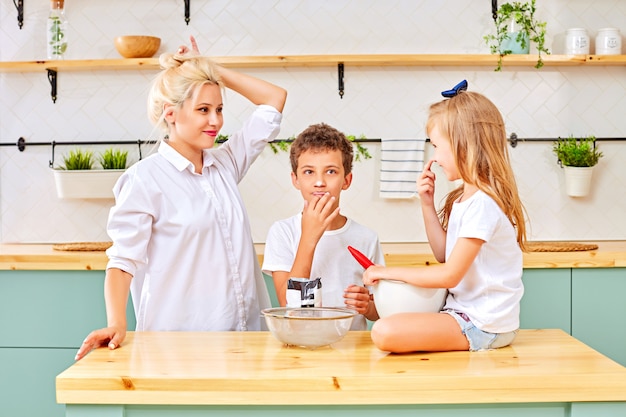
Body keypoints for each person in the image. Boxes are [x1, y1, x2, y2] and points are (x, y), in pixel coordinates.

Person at [74, 36, 287, 361]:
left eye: (218, 109)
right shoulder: (145, 179)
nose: (215, 121)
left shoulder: (225, 164)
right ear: (170, 113)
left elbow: (274, 99)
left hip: (245, 340)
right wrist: (117, 322)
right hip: (179, 346)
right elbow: (122, 261)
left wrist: (209, 69)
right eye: (203, 110)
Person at [363, 80, 527, 353]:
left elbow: (449, 274)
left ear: (464, 146)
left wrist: (385, 271)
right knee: (389, 325)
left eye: (438, 147)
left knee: (384, 331)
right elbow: (444, 255)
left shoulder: (483, 204)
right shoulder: (466, 199)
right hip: (465, 315)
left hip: (483, 324)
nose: (436, 157)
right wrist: (427, 204)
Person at [262, 123, 384, 330]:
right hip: (300, 347)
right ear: (296, 179)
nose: (319, 182)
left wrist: (368, 306)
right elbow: (287, 304)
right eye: (309, 171)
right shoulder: (282, 232)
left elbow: (379, 310)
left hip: (351, 351)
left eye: (330, 171)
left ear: (346, 180)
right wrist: (309, 236)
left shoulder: (366, 238)